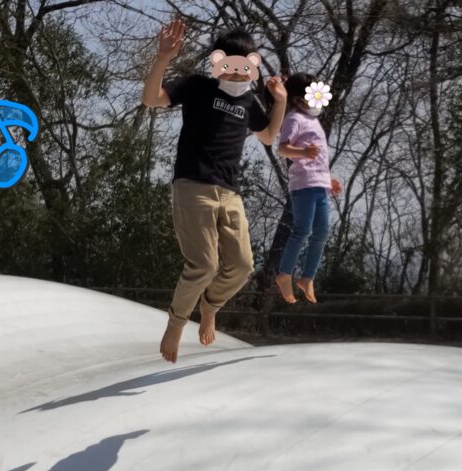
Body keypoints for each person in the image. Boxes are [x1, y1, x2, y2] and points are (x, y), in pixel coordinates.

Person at [142, 19, 287, 363]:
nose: (236, 74)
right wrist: (163, 58)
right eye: (230, 66)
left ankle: (210, 305)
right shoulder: (197, 87)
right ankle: (177, 323)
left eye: (244, 67)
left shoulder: (249, 102)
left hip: (229, 193)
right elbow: (151, 98)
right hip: (193, 186)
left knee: (242, 266)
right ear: (218, 62)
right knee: (204, 265)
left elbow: (268, 136)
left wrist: (279, 102)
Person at [274, 73, 342, 304]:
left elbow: (318, 159)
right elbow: (283, 149)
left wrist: (328, 180)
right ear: (297, 100)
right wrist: (302, 152)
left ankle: (307, 277)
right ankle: (285, 274)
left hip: (319, 186)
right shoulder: (294, 119)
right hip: (303, 185)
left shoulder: (314, 122)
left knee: (322, 233)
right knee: (302, 230)